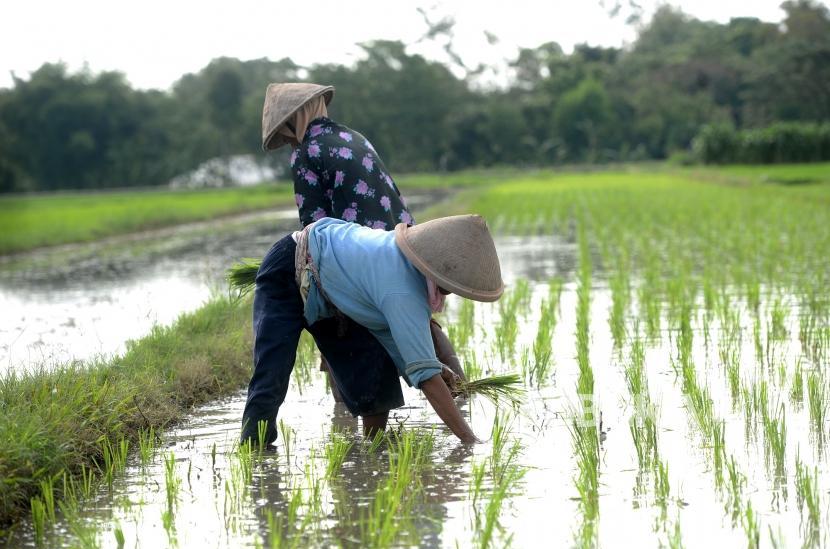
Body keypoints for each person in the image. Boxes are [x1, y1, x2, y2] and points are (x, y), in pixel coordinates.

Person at [260, 83, 464, 399]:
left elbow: (313, 230)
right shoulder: (353, 136)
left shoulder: (306, 151)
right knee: (419, 322)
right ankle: (464, 392)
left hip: (360, 250)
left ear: (294, 119)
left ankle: (348, 418)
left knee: (337, 328)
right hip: (402, 241)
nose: (287, 141)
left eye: (286, 133)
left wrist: (316, 277)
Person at [240, 213, 504, 445]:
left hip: (335, 298)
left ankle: (373, 456)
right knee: (272, 373)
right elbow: (425, 378)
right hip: (290, 268)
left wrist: (435, 366)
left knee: (375, 387)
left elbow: (397, 344)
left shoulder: (407, 273)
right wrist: (469, 440)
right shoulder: (402, 290)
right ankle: (253, 453)